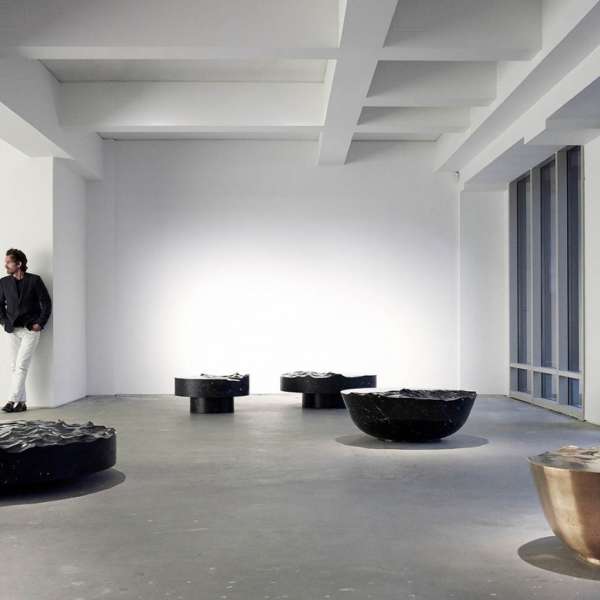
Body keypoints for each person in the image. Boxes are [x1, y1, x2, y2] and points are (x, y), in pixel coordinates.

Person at [0, 249, 52, 412]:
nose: (5, 265)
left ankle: (11, 400)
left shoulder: (34, 280)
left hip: (30, 330)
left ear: (19, 264)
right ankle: (21, 403)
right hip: (12, 330)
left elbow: (46, 303)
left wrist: (40, 323)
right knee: (15, 366)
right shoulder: (4, 282)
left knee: (21, 365)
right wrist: (4, 322)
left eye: (8, 262)